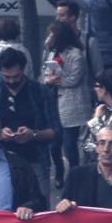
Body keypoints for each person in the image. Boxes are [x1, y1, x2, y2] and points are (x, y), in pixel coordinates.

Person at [0, 48, 58, 203]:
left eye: (16, 76)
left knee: (39, 207)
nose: (12, 81)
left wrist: (33, 134)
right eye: (6, 77)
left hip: (35, 160)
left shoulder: (40, 91)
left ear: (23, 69)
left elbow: (55, 132)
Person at [44, 19, 93, 172]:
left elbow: (74, 79)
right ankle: (60, 171)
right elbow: (46, 73)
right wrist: (49, 79)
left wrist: (57, 80)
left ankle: (75, 171)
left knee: (70, 143)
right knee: (56, 142)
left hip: (73, 103)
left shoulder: (76, 54)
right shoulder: (53, 53)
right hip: (55, 102)